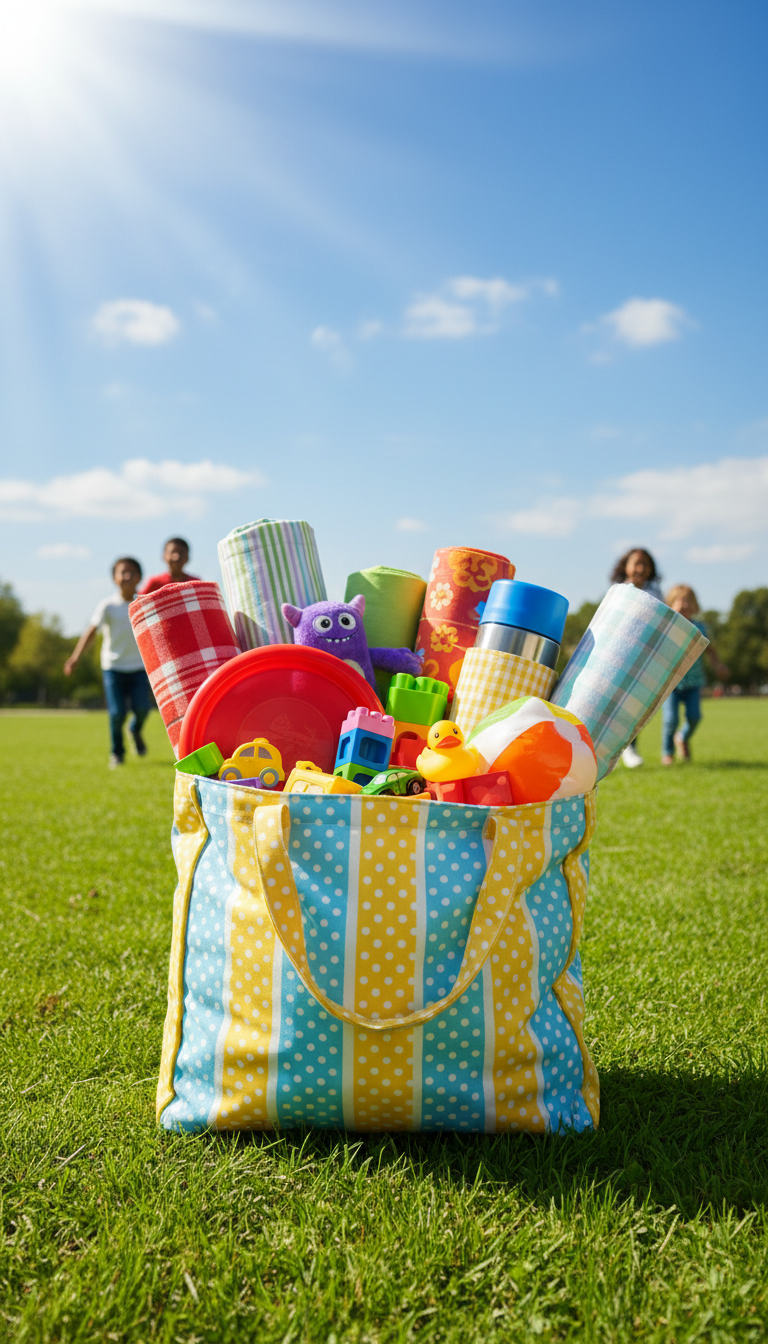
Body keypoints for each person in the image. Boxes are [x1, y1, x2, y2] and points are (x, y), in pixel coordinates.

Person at [64, 557, 152, 769]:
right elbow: (91, 632)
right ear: (114, 578)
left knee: (142, 709)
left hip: (139, 667)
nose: (127, 576)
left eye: (131, 572)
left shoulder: (143, 604)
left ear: (139, 577)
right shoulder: (108, 606)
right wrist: (75, 657)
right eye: (122, 572)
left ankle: (135, 729)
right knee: (116, 713)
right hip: (113, 668)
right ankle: (117, 754)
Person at [661, 585, 729, 765]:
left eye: (688, 601)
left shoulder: (700, 628)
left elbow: (711, 651)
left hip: (694, 681)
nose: (683, 605)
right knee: (670, 720)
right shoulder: (666, 627)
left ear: (695, 605)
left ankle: (682, 737)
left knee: (694, 716)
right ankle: (667, 753)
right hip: (671, 683)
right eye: (678, 601)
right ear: (670, 604)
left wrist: (718, 665)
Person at [609, 547, 662, 767]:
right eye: (636, 563)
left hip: (644, 656)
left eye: (645, 564)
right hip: (618, 654)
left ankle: (629, 748)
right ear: (625, 566)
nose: (640, 568)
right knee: (614, 704)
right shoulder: (618, 590)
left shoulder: (656, 593)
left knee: (634, 706)